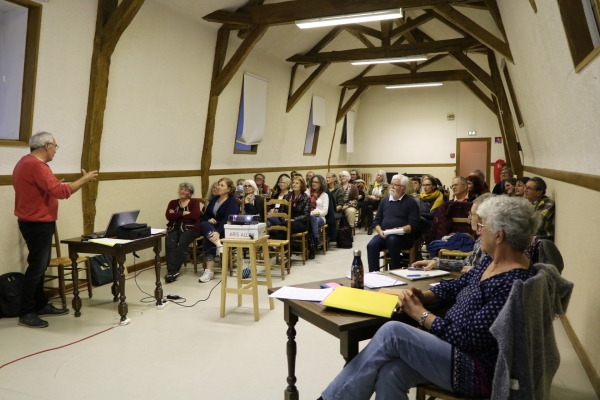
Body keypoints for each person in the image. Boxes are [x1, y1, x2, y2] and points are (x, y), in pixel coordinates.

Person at [321, 195, 542, 400]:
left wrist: (421, 314)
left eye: (482, 226)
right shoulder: (491, 260)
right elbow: (459, 284)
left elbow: (470, 339)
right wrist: (423, 296)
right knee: (391, 372)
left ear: (499, 235)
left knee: (393, 332)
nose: (478, 232)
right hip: (455, 350)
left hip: (477, 369)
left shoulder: (514, 284)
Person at [12, 132, 98, 328]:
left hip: (32, 222)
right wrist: (84, 180)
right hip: (37, 223)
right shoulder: (37, 166)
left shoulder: (24, 162)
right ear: (46, 145)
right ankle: (25, 312)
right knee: (36, 268)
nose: (55, 151)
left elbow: (44, 190)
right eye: (55, 147)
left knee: (39, 266)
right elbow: (61, 192)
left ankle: (40, 304)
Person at [413, 193, 495, 274]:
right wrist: (436, 263)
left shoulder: (494, 243)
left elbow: (495, 276)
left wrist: (478, 272)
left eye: (472, 214)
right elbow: (466, 264)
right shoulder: (481, 239)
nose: (469, 217)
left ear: (484, 217)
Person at [366, 175, 420, 272]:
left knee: (392, 240)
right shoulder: (385, 201)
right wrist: (379, 231)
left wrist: (396, 230)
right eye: (391, 184)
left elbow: (413, 226)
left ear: (403, 188)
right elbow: (377, 221)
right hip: (384, 234)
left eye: (395, 185)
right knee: (371, 245)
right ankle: (373, 273)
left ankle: (395, 271)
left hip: (404, 237)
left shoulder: (411, 203)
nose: (392, 187)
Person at [198, 178, 240, 283]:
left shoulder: (232, 202)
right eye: (218, 185)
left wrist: (218, 232)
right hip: (213, 229)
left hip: (225, 229)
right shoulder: (213, 200)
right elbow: (206, 214)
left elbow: (227, 219)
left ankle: (209, 271)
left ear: (229, 189)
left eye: (222, 185)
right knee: (204, 224)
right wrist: (209, 219)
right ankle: (218, 244)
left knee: (209, 238)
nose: (218, 187)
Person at [164, 183, 202, 283]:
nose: (183, 192)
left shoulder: (194, 202)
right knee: (169, 243)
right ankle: (171, 270)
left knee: (183, 242)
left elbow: (194, 216)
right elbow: (168, 216)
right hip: (175, 227)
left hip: (191, 227)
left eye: (186, 190)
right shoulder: (173, 203)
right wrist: (182, 213)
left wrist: (175, 215)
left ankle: (174, 270)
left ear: (190, 193)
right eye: (182, 189)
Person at [523, 177, 555, 241]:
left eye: (528, 188)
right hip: (531, 238)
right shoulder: (530, 202)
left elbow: (536, 224)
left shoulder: (547, 203)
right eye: (525, 186)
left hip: (542, 240)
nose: (525, 190)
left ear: (539, 192)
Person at [361, 170, 389, 234]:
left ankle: (361, 219)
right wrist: (371, 197)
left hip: (380, 203)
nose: (379, 177)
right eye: (378, 175)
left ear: (383, 177)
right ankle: (370, 226)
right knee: (369, 207)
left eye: (381, 176)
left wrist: (377, 197)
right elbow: (366, 194)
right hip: (371, 202)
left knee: (366, 203)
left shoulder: (386, 185)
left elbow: (386, 196)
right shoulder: (371, 184)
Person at [308, 174, 329, 248]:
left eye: (316, 182)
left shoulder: (325, 195)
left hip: (320, 218)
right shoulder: (307, 193)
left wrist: (313, 213)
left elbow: (325, 212)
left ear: (321, 184)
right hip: (307, 217)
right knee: (311, 221)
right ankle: (316, 240)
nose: (314, 183)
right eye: (313, 182)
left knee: (312, 219)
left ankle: (311, 244)